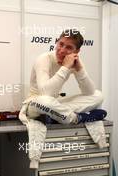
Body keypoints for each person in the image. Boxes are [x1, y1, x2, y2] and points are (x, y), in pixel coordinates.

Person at [19, 29, 107, 168]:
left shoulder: (74, 61)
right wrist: (65, 67)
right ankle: (76, 118)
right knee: (46, 101)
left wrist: (79, 69)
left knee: (98, 95)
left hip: (55, 105)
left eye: (69, 47)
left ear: (76, 52)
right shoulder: (44, 59)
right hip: (36, 105)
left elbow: (89, 92)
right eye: (61, 44)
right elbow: (45, 92)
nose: (62, 50)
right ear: (57, 42)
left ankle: (56, 116)